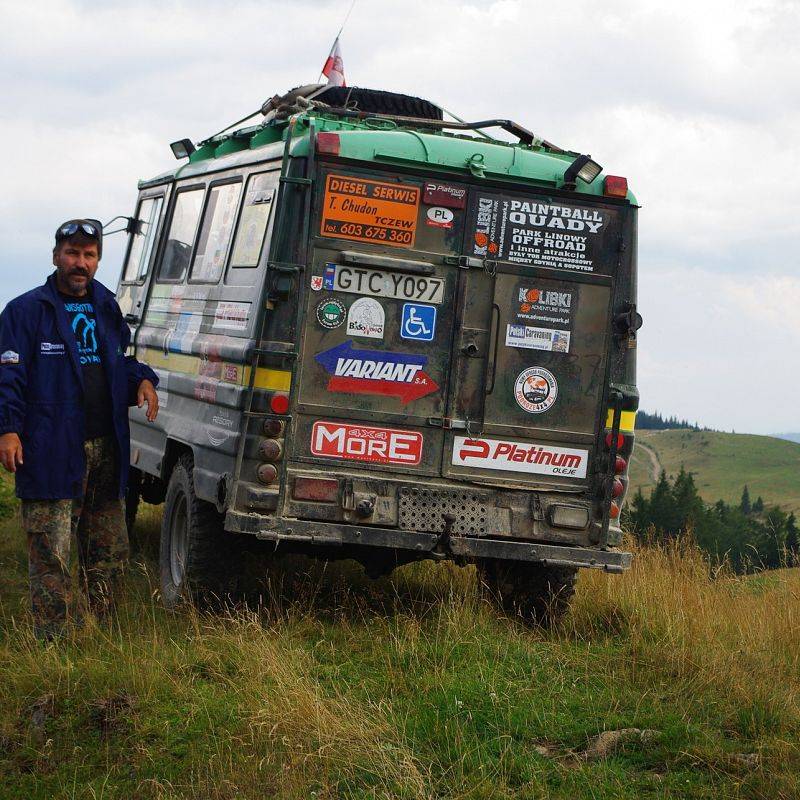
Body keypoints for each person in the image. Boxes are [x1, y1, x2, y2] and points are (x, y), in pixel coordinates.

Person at [0, 219, 160, 640]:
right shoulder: (25, 311)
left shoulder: (105, 306)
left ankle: (104, 635)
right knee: (52, 549)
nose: (80, 262)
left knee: (108, 550)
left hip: (105, 445)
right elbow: (8, 377)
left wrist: (141, 378)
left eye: (89, 255)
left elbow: (115, 365)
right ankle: (55, 642)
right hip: (51, 445)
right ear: (56, 257)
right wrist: (8, 429)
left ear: (98, 260)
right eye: (72, 253)